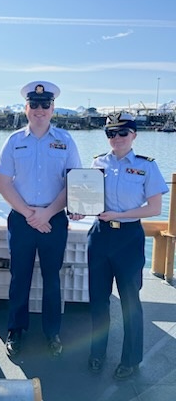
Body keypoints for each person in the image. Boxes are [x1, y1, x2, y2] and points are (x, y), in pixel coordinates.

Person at [0, 81, 82, 356]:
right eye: (34, 105)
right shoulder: (13, 141)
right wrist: (30, 214)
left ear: (53, 109)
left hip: (53, 218)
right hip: (22, 219)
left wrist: (46, 213)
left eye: (45, 105)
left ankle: (52, 332)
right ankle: (15, 330)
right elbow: (4, 183)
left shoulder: (65, 141)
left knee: (51, 277)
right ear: (26, 109)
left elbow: (74, 183)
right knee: (19, 276)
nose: (40, 110)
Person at [87, 112, 168, 380]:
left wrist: (118, 215)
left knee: (130, 301)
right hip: (99, 237)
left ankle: (131, 360)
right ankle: (97, 354)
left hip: (128, 238)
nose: (117, 138)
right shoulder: (97, 163)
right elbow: (87, 197)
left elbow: (154, 208)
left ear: (134, 135)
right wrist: (79, 210)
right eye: (111, 133)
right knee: (98, 300)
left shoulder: (147, 166)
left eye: (123, 133)